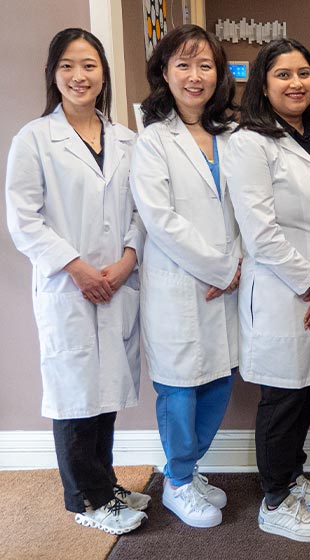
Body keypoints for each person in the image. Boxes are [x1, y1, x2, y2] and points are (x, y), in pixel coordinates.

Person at [5, 28, 149, 534]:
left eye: (89, 65)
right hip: (69, 287)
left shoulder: (127, 140)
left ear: (103, 73)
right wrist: (76, 267)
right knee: (74, 395)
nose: (79, 76)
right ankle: (85, 500)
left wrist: (130, 257)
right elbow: (24, 219)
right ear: (53, 74)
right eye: (67, 65)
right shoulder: (35, 139)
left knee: (103, 392)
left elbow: (140, 210)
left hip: (117, 283)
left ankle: (104, 482)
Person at [224, 38, 310, 542]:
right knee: (282, 396)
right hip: (284, 291)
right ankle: (275, 499)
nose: (296, 83)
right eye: (283, 74)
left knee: (307, 391)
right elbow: (259, 231)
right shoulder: (248, 142)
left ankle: (293, 476)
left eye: (303, 72)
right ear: (263, 83)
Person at [130, 24, 241, 528]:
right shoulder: (153, 141)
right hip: (180, 283)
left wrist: (236, 265)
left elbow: (249, 209)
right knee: (179, 388)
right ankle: (176, 481)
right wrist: (221, 267)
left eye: (205, 65)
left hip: (229, 283)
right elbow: (160, 219)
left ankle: (189, 470)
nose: (195, 76)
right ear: (164, 73)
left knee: (218, 381)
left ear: (219, 75)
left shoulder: (235, 137)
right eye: (183, 65)